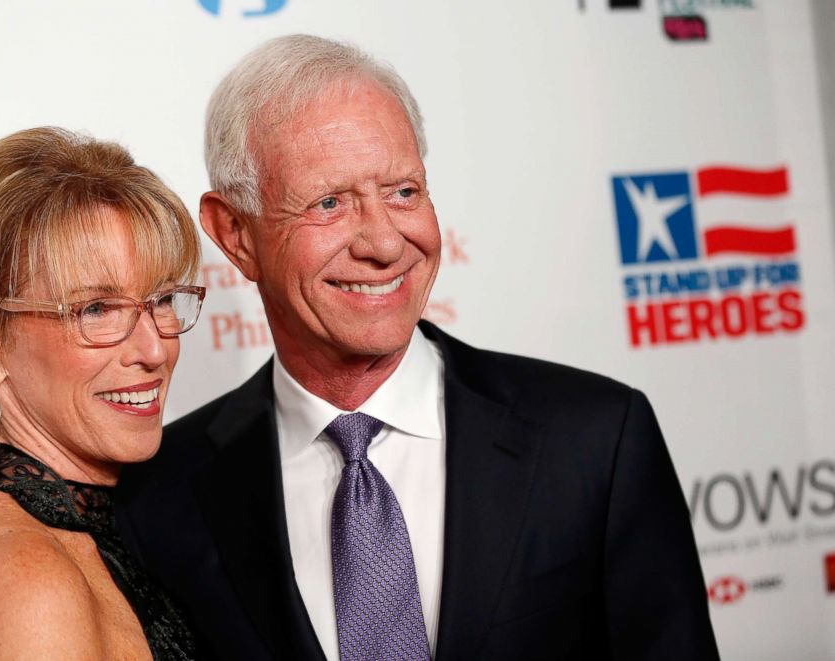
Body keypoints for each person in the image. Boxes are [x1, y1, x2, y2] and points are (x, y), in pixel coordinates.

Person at [115, 35, 719, 660]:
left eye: (404, 192)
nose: (383, 242)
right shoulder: (158, 500)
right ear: (236, 233)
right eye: (329, 203)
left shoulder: (596, 438)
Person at [0, 127, 204, 660]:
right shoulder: (20, 578)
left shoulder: (104, 525)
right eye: (95, 310)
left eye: (161, 298)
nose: (154, 350)